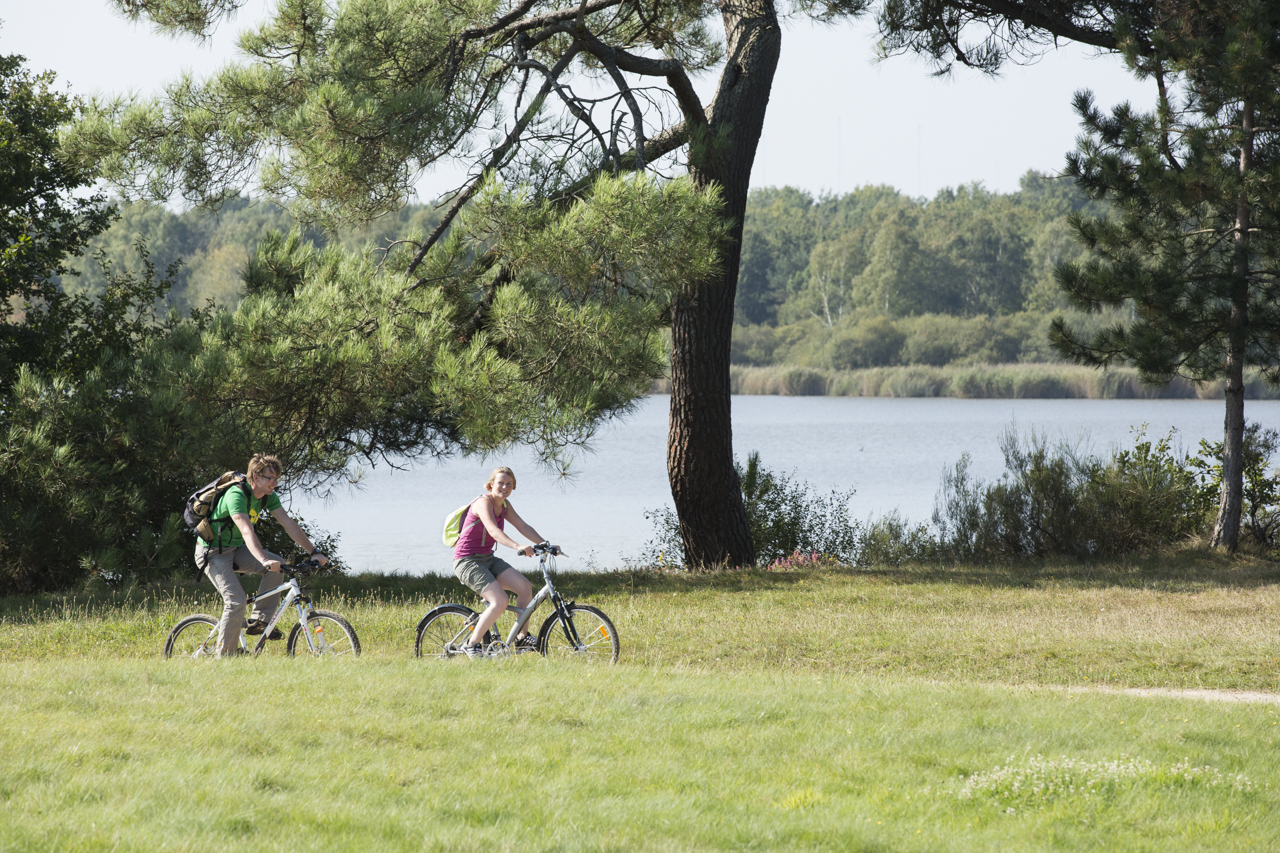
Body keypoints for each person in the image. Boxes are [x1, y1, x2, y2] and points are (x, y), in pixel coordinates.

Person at [195, 454, 328, 657]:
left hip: (236, 549)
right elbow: (247, 530)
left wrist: (313, 552)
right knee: (236, 600)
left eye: (277, 479)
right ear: (255, 477)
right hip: (213, 553)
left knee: (280, 566)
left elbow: (288, 524)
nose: (274, 483)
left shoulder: (267, 496)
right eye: (270, 478)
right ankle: (226, 656)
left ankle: (259, 621)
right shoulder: (236, 494)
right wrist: (264, 560)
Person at [452, 466, 554, 658]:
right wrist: (517, 546)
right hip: (467, 561)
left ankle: (521, 639)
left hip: (487, 559)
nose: (504, 487)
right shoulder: (483, 503)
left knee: (525, 587)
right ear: (491, 484)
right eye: (500, 483)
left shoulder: (505, 506)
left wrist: (545, 544)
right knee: (500, 601)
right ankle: (471, 644)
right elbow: (493, 531)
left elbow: (523, 526)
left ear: (513, 487)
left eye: (509, 484)